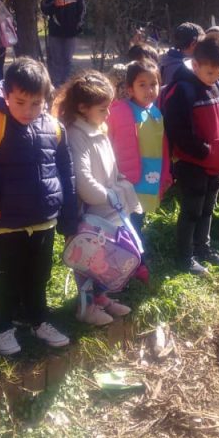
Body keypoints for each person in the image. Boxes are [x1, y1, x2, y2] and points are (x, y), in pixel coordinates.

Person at [0, 59, 77, 355]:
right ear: (6, 94)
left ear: (46, 97)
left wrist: (69, 218)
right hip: (5, 224)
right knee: (4, 278)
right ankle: (3, 326)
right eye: (20, 102)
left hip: (43, 221)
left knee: (39, 275)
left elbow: (67, 172)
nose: (28, 110)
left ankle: (38, 319)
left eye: (36, 103)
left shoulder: (54, 127)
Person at [60, 71, 141, 326]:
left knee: (103, 259)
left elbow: (111, 168)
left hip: (106, 210)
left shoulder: (97, 128)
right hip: (88, 213)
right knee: (86, 261)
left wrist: (118, 184)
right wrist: (112, 194)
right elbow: (84, 182)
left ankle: (101, 298)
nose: (108, 114)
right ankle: (85, 306)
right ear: (83, 107)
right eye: (104, 109)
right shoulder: (76, 135)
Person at [160, 35, 219, 276]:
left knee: (207, 208)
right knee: (191, 210)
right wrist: (204, 151)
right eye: (210, 72)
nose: (215, 76)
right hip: (193, 163)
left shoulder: (216, 86)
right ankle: (185, 256)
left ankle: (203, 248)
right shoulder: (182, 90)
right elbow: (176, 128)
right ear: (195, 65)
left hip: (217, 162)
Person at [108, 60, 171, 240]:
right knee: (126, 218)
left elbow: (163, 147)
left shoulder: (156, 113)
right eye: (142, 85)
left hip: (149, 175)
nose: (149, 90)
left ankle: (135, 252)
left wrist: (166, 174)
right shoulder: (119, 111)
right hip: (127, 179)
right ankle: (130, 255)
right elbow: (108, 141)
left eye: (153, 84)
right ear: (130, 89)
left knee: (139, 215)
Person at [41, 0, 86, 86]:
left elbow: (81, 11)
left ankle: (65, 85)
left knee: (68, 60)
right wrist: (54, 4)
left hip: (70, 33)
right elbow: (44, 9)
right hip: (55, 33)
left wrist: (77, 25)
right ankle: (56, 85)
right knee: (56, 60)